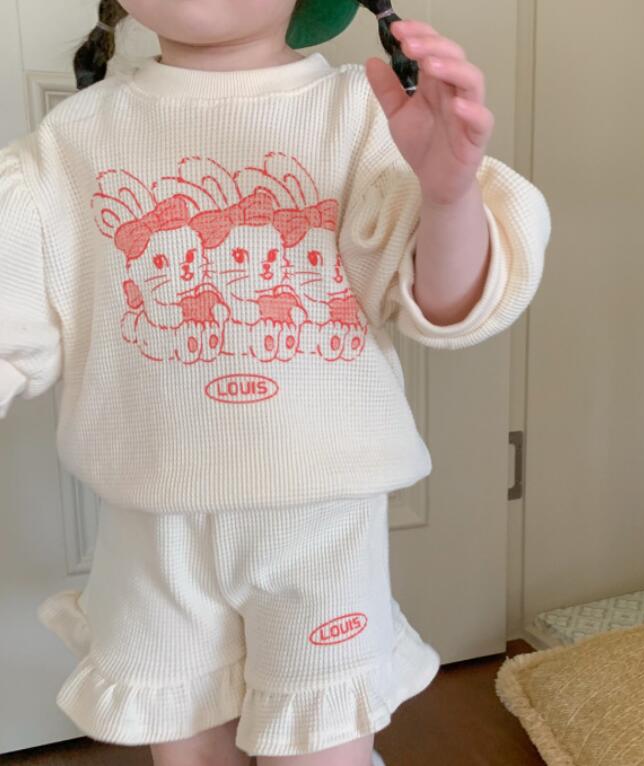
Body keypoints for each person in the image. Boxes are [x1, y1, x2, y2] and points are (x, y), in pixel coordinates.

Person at [0, 0, 551, 763]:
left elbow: (448, 307)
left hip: (322, 534)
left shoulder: (366, 118)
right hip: (150, 537)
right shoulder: (69, 144)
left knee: (323, 749)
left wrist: (447, 197)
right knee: (188, 751)